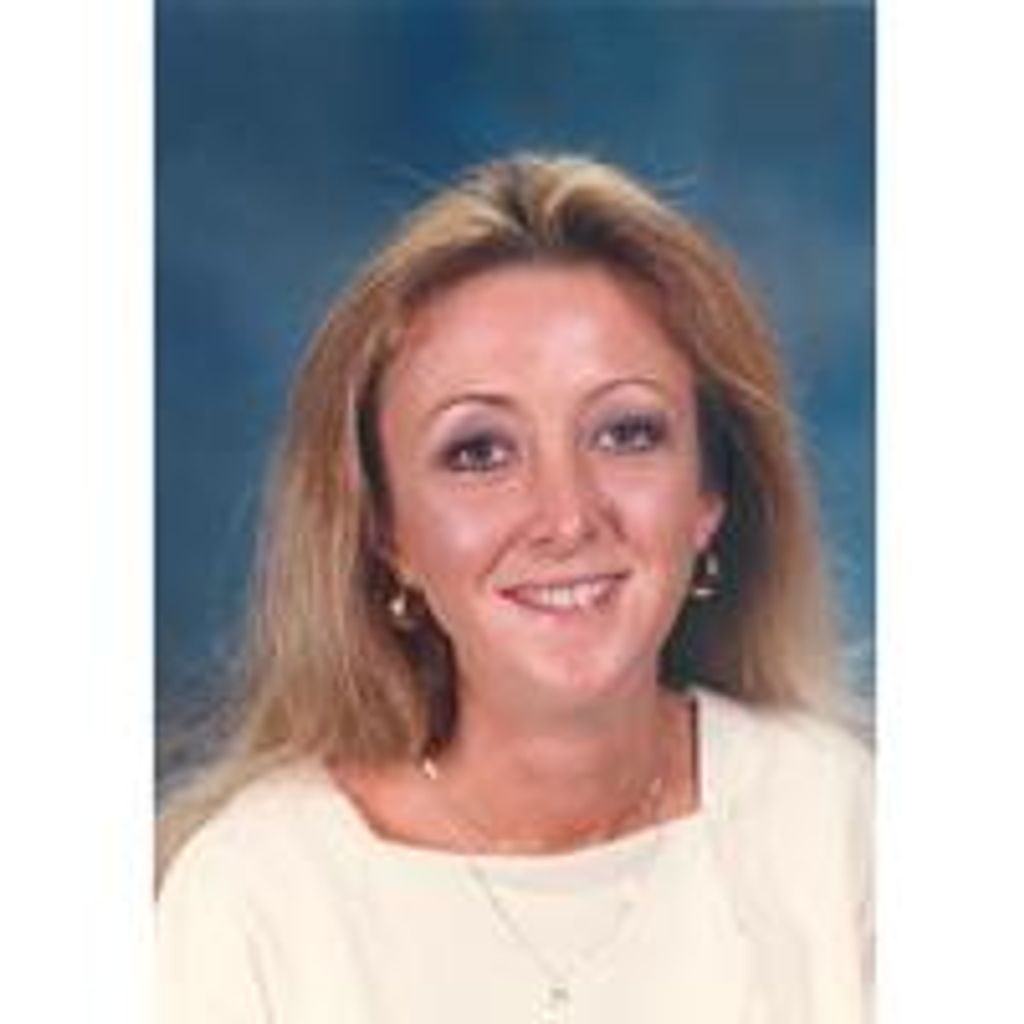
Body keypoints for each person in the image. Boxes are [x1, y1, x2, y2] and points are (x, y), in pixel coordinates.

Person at [156, 153, 873, 1024]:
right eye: (479, 452)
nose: (565, 518)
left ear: (710, 495)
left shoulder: (843, 826)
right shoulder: (253, 900)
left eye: (626, 433)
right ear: (386, 532)